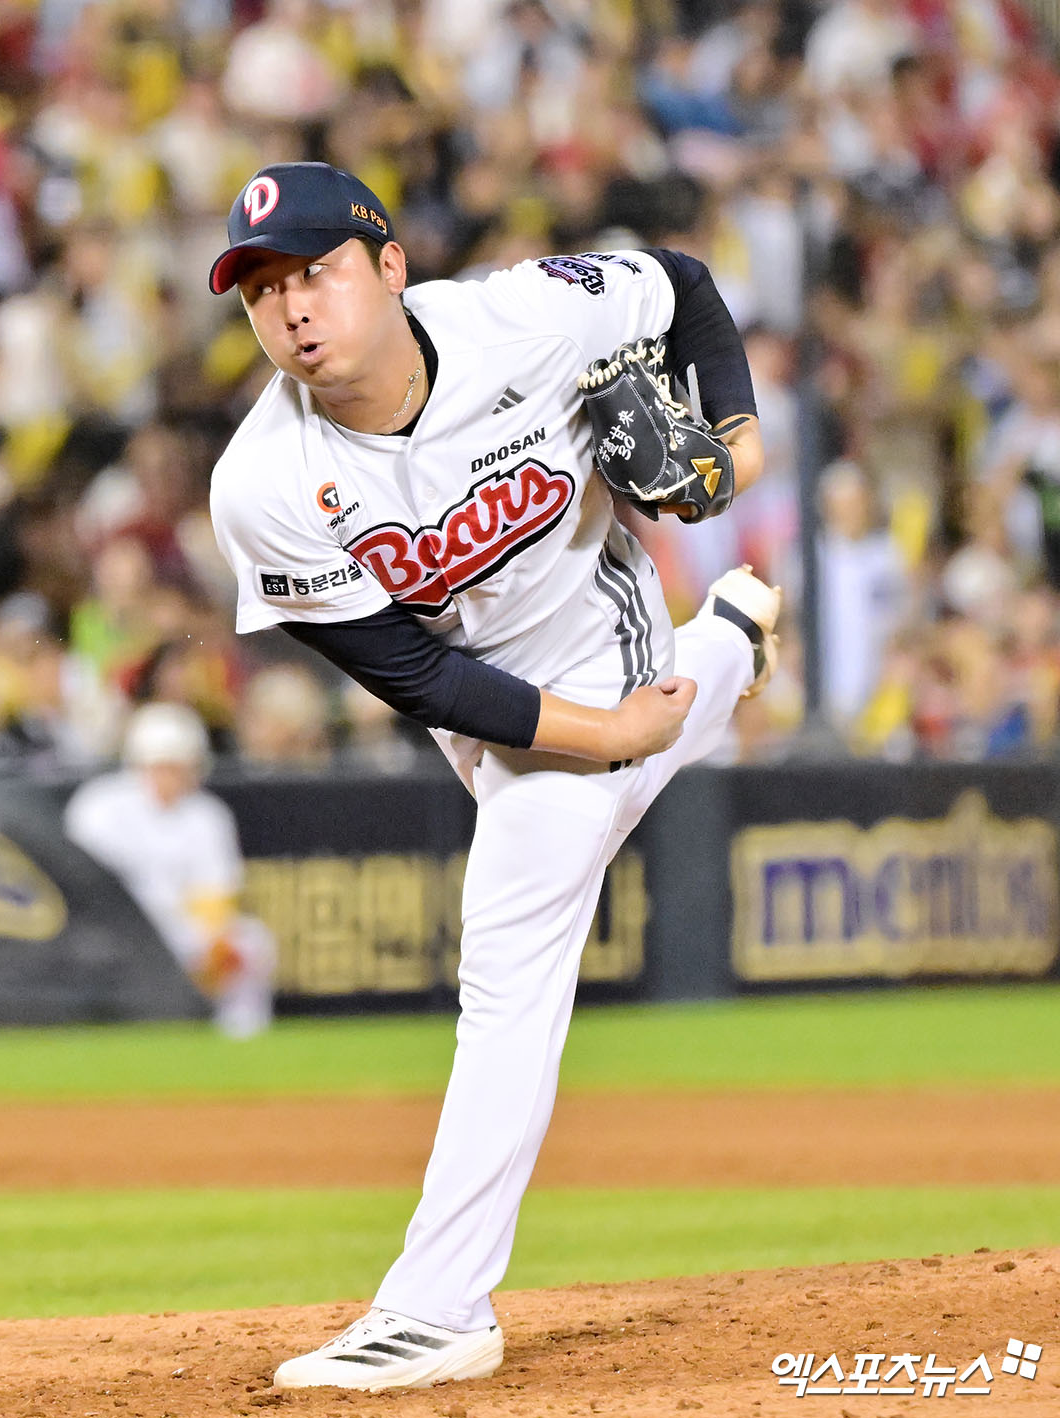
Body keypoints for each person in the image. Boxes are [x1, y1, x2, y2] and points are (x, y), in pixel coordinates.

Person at [207, 161, 779, 1389]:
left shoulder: (526, 317)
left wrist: (735, 444)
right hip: (480, 701)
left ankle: (439, 1306)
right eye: (260, 289)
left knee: (512, 953)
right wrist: (606, 737)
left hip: (598, 632)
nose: (292, 306)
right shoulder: (261, 485)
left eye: (315, 271)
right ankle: (730, 645)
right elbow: (421, 677)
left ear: (390, 266)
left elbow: (680, 284)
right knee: (590, 788)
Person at [64, 701, 276, 1038]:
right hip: (117, 927)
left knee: (251, 941)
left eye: (181, 765)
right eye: (162, 765)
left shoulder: (207, 815)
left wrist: (215, 944)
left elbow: (214, 897)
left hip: (179, 929)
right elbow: (82, 885)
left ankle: (240, 1034)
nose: (171, 775)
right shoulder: (100, 806)